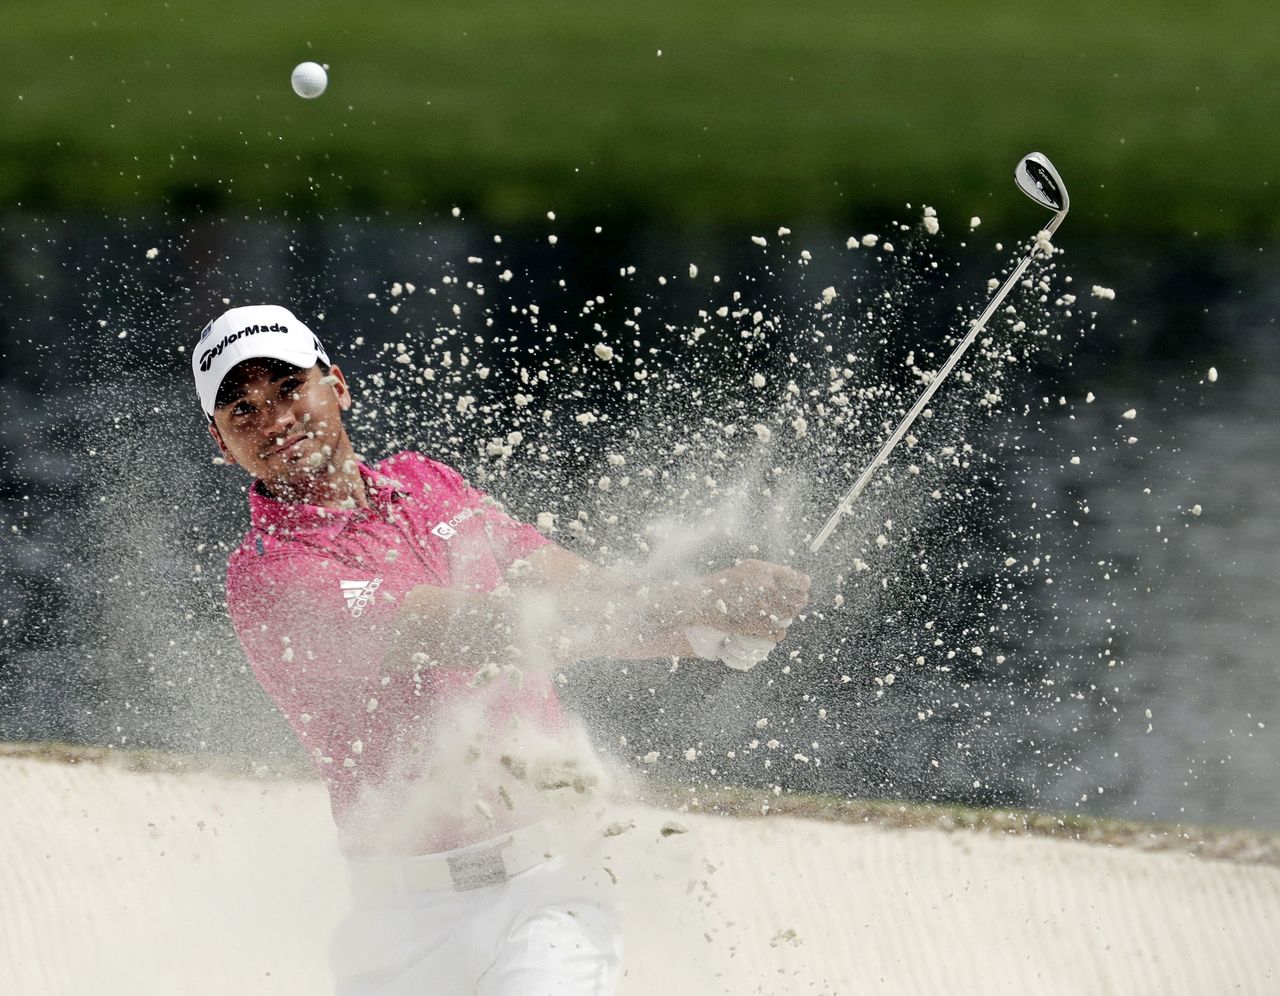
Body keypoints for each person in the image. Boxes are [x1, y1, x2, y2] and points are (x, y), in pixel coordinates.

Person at [192, 304, 811, 995]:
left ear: (336, 385)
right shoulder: (269, 576)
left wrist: (705, 629)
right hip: (402, 926)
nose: (274, 419)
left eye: (287, 388)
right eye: (242, 411)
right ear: (221, 442)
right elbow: (486, 631)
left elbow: (574, 590)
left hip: (550, 888)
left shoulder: (428, 484)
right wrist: (696, 600)